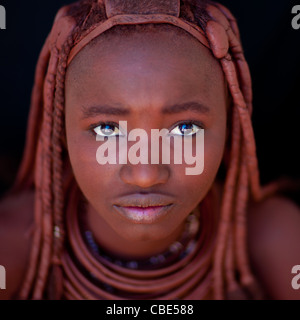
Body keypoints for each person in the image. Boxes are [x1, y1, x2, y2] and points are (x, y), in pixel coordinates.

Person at [0, 0, 299, 300]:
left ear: (230, 126)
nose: (145, 175)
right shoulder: (11, 248)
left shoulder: (274, 242)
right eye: (107, 129)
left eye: (185, 129)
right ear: (61, 132)